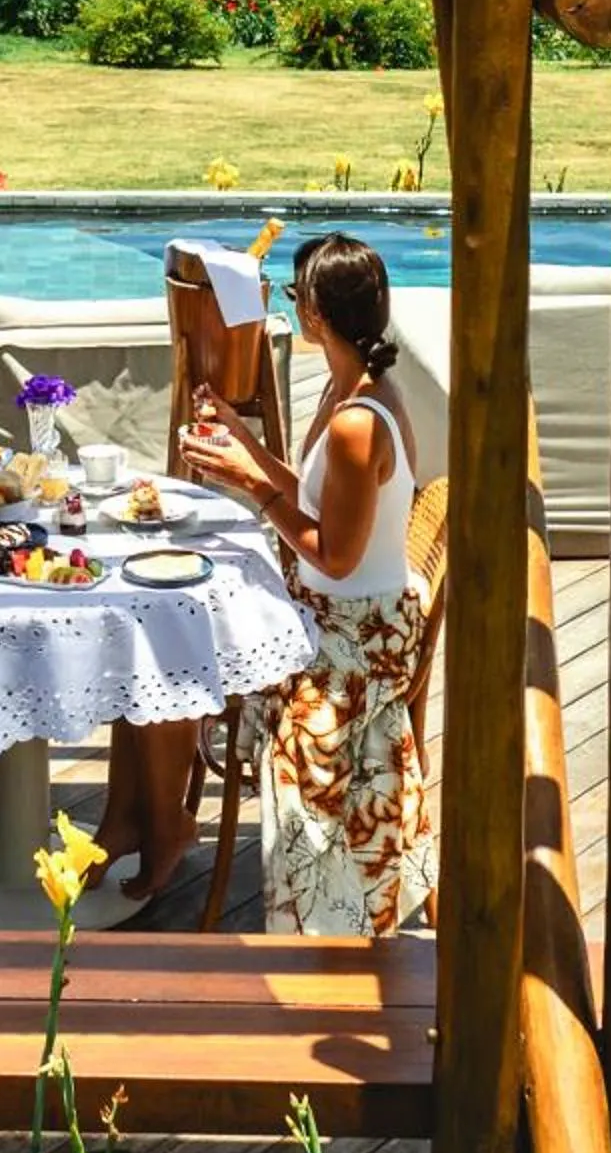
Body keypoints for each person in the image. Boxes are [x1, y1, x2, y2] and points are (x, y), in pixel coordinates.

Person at [178, 233, 435, 936]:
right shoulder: (352, 388)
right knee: (194, 647)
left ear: (315, 314)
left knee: (188, 658)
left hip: (355, 640)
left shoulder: (358, 422)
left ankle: (314, 920)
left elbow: (334, 556)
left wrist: (250, 485)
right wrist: (245, 441)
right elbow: (315, 502)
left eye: (294, 298)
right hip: (348, 617)